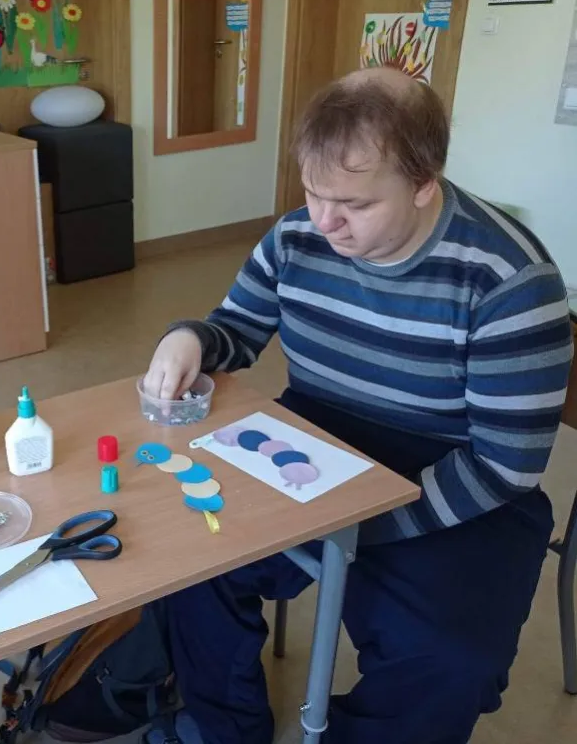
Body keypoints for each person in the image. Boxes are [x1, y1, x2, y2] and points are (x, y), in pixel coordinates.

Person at [141, 66, 573, 744]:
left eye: (354, 203)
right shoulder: (294, 238)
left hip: (455, 476)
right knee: (187, 558)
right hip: (315, 439)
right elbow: (237, 330)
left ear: (424, 182)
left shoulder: (509, 280)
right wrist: (189, 338)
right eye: (313, 193)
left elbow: (502, 468)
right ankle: (225, 727)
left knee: (451, 660)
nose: (325, 221)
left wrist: (355, 526)